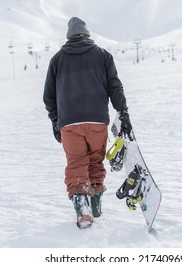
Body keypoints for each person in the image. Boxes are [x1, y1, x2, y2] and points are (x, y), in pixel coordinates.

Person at [43, 17, 132, 229]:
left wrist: (56, 121)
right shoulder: (103, 55)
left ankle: (82, 207)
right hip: (97, 120)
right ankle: (95, 203)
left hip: (70, 123)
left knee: (76, 162)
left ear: (69, 36)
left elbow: (49, 97)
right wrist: (123, 114)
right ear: (87, 34)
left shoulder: (57, 60)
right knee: (95, 161)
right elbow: (115, 88)